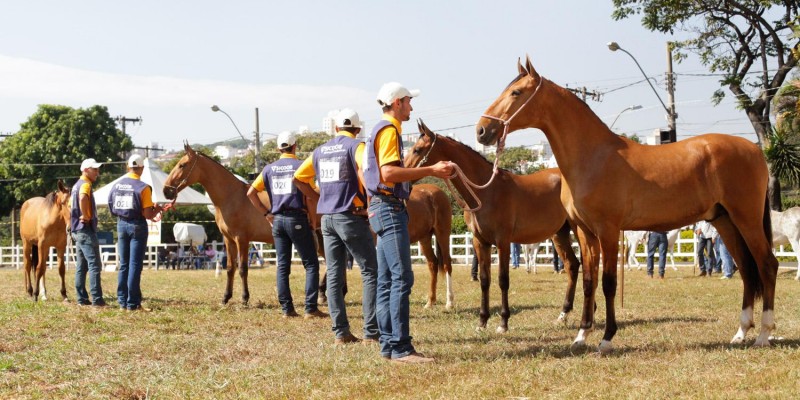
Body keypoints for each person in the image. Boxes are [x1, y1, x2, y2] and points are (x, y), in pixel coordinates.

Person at [364, 82, 454, 363]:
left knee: (387, 280)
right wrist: (433, 170)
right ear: (397, 102)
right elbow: (389, 173)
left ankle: (390, 346)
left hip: (378, 209)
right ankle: (401, 347)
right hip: (389, 208)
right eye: (408, 101)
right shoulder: (390, 131)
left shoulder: (378, 130)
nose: (411, 107)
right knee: (402, 277)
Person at [294, 108, 378, 343]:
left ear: (336, 128)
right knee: (370, 271)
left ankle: (340, 332)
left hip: (327, 218)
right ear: (358, 129)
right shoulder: (357, 147)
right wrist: (370, 202)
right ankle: (371, 331)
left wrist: (316, 197)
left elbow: (299, 178)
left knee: (334, 275)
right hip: (351, 216)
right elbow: (366, 171)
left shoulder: (320, 151)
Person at [247, 131, 326, 319]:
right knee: (311, 264)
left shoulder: (268, 169)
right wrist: (313, 221)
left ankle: (287, 310)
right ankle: (310, 308)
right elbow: (309, 196)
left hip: (277, 221)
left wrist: (266, 213)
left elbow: (251, 192)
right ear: (295, 146)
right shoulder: (300, 166)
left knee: (282, 266)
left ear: (278, 149)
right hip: (297, 218)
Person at [108, 154, 164, 311]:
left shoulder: (116, 185)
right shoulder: (143, 188)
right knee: (134, 265)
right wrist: (157, 209)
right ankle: (132, 303)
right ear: (142, 169)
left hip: (120, 224)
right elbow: (148, 215)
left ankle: (122, 301)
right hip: (137, 226)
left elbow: (111, 207)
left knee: (124, 264)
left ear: (128, 167)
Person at [70, 158, 107, 307]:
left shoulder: (75, 185)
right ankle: (97, 300)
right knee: (95, 265)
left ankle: (82, 298)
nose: (97, 172)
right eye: (95, 169)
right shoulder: (85, 185)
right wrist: (86, 215)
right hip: (85, 230)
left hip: (76, 229)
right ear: (86, 170)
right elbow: (83, 197)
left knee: (81, 266)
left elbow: (69, 206)